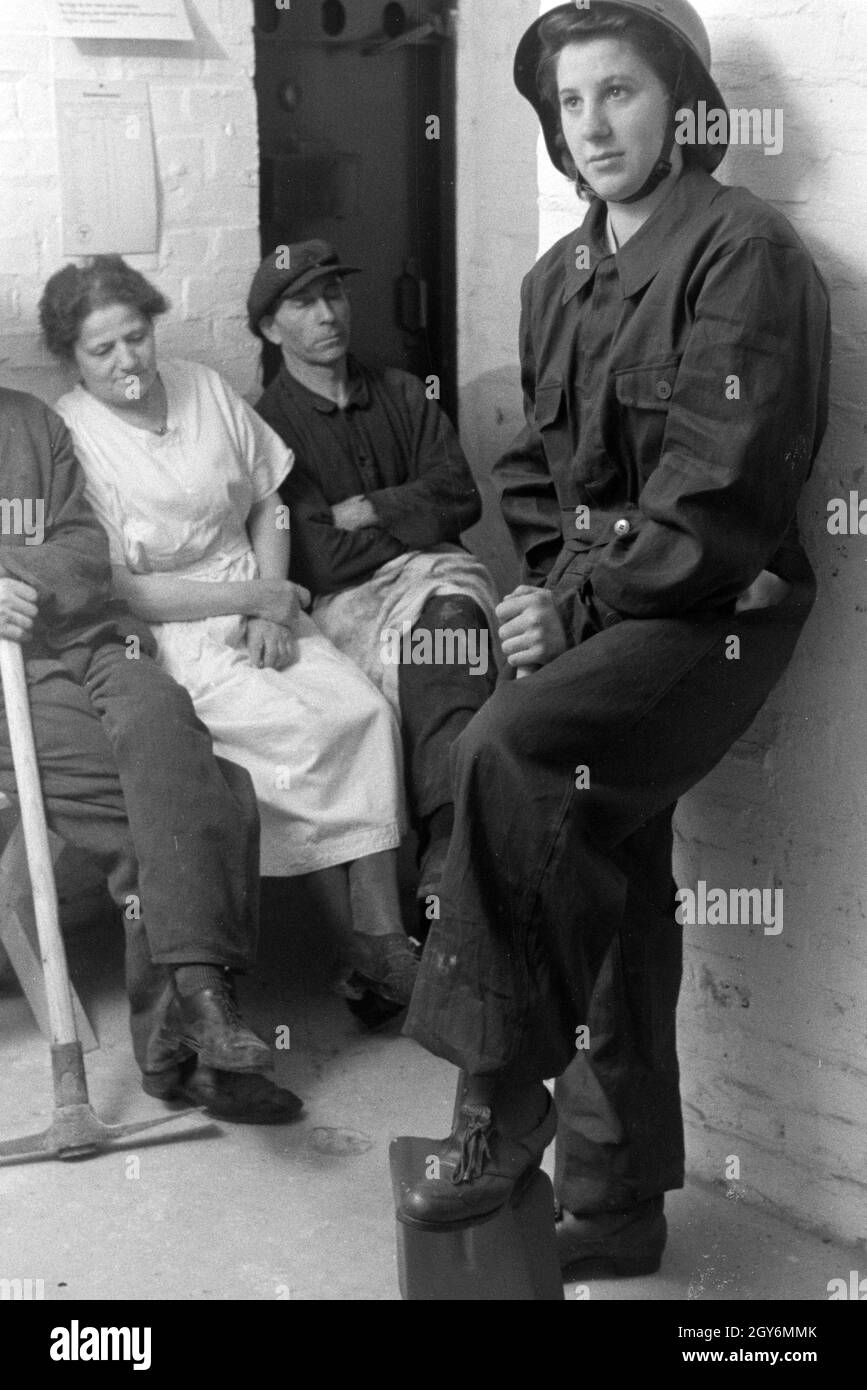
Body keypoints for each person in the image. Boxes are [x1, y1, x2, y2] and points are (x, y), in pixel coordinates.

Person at [394, 0, 830, 1256]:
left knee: (510, 756)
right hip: (611, 604)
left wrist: (569, 601)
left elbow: (716, 506)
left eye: (620, 93)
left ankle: (499, 1093)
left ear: (685, 103)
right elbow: (533, 474)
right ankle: (618, 1199)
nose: (592, 125)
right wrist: (545, 590)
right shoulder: (554, 279)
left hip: (714, 611)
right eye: (569, 102)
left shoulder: (743, 252)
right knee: (611, 869)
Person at [38, 256, 418, 1013]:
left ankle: (383, 939)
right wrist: (254, 597)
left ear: (154, 329)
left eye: (136, 337)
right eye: (102, 350)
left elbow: (269, 502)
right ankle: (364, 952)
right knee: (291, 739)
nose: (128, 362)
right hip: (170, 630)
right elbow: (121, 587)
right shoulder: (71, 432)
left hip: (262, 602)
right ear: (72, 359)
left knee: (361, 713)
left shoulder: (201, 386)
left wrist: (270, 610)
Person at [0, 383, 300, 1125]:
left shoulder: (30, 422)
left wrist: (18, 576)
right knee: (194, 796)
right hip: (4, 686)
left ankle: (192, 1020)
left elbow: (83, 562)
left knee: (177, 742)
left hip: (88, 643)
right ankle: (192, 1044)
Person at [249, 242, 499, 912]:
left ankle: (449, 845)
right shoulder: (267, 425)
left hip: (436, 578)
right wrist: (414, 514)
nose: (327, 313)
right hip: (344, 603)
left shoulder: (402, 392)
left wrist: (367, 510)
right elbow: (319, 559)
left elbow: (461, 497)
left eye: (334, 293)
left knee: (450, 630)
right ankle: (426, 880)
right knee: (411, 666)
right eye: (303, 302)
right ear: (271, 329)